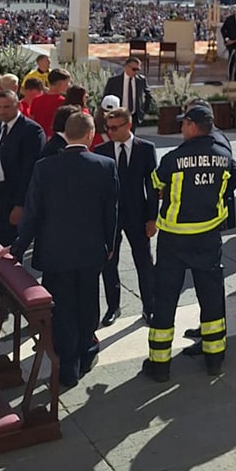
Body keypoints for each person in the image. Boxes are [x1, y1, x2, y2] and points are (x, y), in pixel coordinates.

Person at [9, 112, 117, 390]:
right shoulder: (105, 165)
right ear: (91, 134)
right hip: (91, 251)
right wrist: (110, 245)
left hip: (55, 253)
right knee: (88, 304)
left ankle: (67, 365)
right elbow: (111, 212)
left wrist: (19, 249)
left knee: (62, 309)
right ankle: (85, 352)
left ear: (64, 134)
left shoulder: (45, 168)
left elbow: (32, 215)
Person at [141, 105, 236, 383]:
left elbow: (154, 183)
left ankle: (159, 365)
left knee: (165, 300)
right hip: (208, 237)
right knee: (211, 298)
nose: (181, 128)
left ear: (192, 126)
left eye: (184, 124)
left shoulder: (173, 158)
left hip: (174, 239)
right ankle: (214, 359)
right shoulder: (224, 156)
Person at [93, 106, 157, 327]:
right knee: (109, 263)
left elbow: (151, 186)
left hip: (138, 216)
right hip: (110, 217)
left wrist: (152, 218)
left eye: (114, 127)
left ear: (128, 125)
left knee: (144, 262)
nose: (110, 132)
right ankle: (113, 307)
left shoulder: (146, 149)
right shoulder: (101, 150)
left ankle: (149, 306)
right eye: (107, 127)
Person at [0, 89, 46, 247]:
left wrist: (20, 204)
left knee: (9, 244)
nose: (2, 111)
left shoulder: (32, 131)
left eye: (6, 107)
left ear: (18, 105)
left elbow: (30, 171)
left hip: (13, 197)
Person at [104, 56, 152, 130]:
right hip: (117, 115)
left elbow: (148, 95)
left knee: (131, 139)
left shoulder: (141, 80)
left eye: (138, 69)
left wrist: (143, 111)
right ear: (126, 67)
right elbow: (105, 98)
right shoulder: (113, 81)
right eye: (134, 69)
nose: (136, 72)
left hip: (133, 116)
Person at [29, 67, 71, 138]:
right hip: (54, 138)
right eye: (67, 83)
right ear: (59, 83)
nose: (69, 85)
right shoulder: (63, 102)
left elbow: (31, 119)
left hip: (37, 136)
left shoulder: (36, 100)